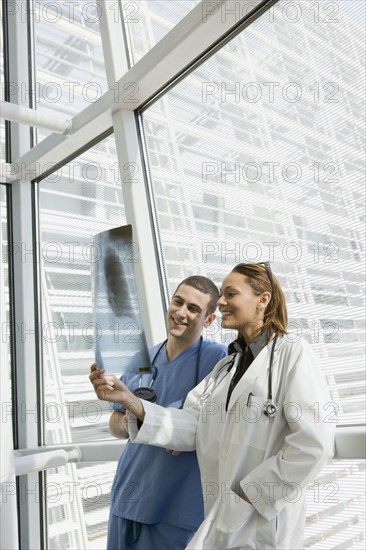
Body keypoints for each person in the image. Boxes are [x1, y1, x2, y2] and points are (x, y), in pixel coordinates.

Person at [90, 263, 336, 550]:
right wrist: (130, 401)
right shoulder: (226, 367)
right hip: (221, 518)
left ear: (263, 299)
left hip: (263, 523)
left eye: (230, 294)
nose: (221, 302)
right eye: (221, 295)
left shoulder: (293, 353)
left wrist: (249, 494)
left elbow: (314, 444)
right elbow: (191, 424)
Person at [90, 275, 227, 550]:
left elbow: (194, 429)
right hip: (128, 495)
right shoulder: (145, 358)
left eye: (193, 308)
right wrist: (126, 409)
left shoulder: (218, 361)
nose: (181, 312)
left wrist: (136, 411)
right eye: (178, 302)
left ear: (209, 320)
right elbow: (116, 425)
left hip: (175, 507)